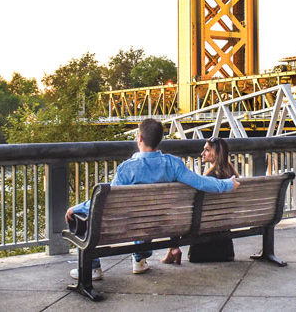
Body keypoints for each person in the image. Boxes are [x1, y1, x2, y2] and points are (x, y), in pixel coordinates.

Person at [66, 119, 239, 280]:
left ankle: (93, 268)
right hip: (160, 223)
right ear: (159, 140)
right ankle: (140, 259)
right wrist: (227, 184)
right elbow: (201, 182)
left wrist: (77, 208)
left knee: (84, 216)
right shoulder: (173, 164)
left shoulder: (127, 169)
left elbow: (105, 202)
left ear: (139, 138)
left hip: (129, 225)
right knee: (146, 216)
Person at [186, 137, 239, 263]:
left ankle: (172, 250)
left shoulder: (210, 178)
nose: (202, 153)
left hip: (206, 227)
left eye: (207, 150)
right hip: (225, 226)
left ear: (216, 153)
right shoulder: (233, 175)